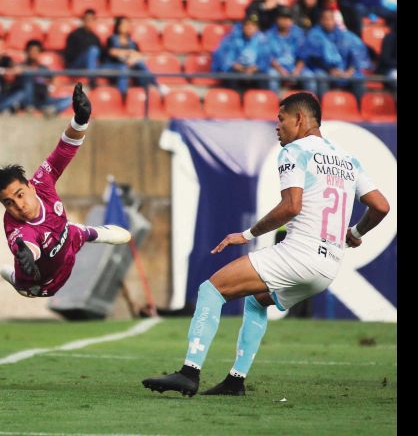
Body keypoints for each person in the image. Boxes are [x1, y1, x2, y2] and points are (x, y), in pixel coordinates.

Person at [142, 92, 390, 397]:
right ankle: (235, 381)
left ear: (299, 119)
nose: (277, 126)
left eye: (281, 119)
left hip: (299, 254)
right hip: (328, 267)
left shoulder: (295, 151)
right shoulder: (347, 159)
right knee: (257, 299)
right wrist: (355, 232)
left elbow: (291, 207)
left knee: (211, 290)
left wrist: (247, 235)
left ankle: (188, 373)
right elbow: (381, 206)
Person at [0, 83, 131, 298]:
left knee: (74, 232)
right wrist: (26, 255)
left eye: (19, 195)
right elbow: (27, 245)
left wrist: (80, 120)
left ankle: (96, 233)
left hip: (66, 240)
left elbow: (65, 148)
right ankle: (14, 277)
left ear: (31, 186)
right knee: (26, 286)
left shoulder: (42, 181)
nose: (18, 206)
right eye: (8, 203)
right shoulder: (17, 229)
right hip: (43, 283)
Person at [303, 8, 370, 101]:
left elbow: (357, 54)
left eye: (331, 19)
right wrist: (330, 70)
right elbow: (315, 57)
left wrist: (350, 71)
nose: (329, 22)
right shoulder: (314, 35)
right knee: (321, 77)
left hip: (346, 71)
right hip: (322, 70)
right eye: (326, 19)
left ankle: (361, 108)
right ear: (321, 21)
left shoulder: (345, 35)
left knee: (359, 78)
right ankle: (323, 107)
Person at [103, 16, 161, 98]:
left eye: (127, 24)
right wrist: (129, 53)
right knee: (123, 68)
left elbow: (139, 56)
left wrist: (132, 59)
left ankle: (155, 88)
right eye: (124, 24)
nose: (126, 26)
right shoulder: (111, 39)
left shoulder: (132, 42)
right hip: (114, 66)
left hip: (130, 66)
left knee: (141, 64)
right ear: (118, 26)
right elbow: (112, 52)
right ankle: (122, 95)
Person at [265, 7, 317, 96]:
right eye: (282, 18)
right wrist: (281, 70)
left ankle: (310, 105)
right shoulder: (269, 34)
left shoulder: (298, 33)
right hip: (277, 68)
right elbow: (269, 57)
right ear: (277, 19)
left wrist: (296, 71)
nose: (285, 21)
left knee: (310, 77)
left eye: (288, 18)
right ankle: (275, 105)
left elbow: (303, 55)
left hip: (295, 68)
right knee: (272, 75)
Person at [212, 14, 271, 92]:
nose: (249, 27)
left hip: (254, 71)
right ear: (243, 26)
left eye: (253, 25)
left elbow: (265, 59)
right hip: (237, 69)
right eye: (247, 25)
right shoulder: (233, 38)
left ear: (257, 28)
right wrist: (234, 65)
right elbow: (224, 55)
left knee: (263, 78)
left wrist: (254, 68)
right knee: (231, 76)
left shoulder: (263, 41)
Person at [16, 39, 72, 115]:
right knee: (28, 77)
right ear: (27, 52)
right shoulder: (21, 66)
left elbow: (53, 79)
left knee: (71, 98)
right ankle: (29, 107)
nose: (34, 53)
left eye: (36, 51)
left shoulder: (43, 68)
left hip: (43, 99)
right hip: (28, 100)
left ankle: (52, 110)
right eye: (31, 51)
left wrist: (51, 88)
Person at [64, 9, 102, 87]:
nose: (89, 22)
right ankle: (92, 80)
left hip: (90, 66)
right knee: (93, 51)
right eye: (87, 19)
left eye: (92, 19)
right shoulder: (75, 35)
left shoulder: (95, 37)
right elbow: (69, 56)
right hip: (75, 65)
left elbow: (101, 55)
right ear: (83, 20)